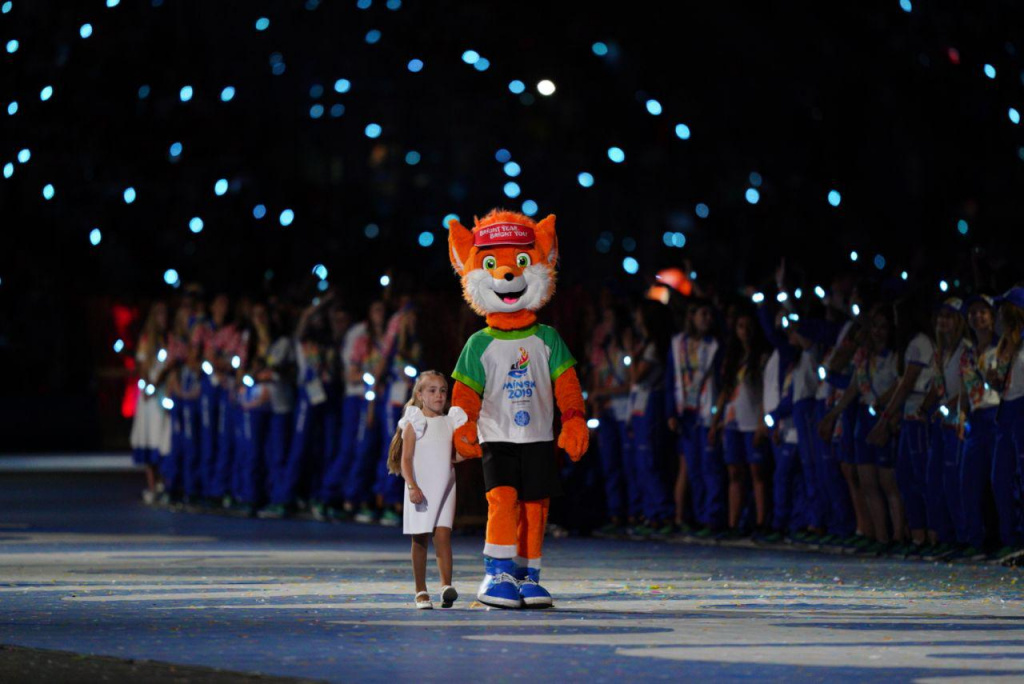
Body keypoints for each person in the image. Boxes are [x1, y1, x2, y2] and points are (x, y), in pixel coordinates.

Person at [388, 371, 465, 609]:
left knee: (443, 536)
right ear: (420, 395)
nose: (439, 395)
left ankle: (446, 586)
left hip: (445, 485)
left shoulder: (450, 420)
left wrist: (473, 448)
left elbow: (455, 455)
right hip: (420, 487)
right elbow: (406, 459)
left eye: (443, 390)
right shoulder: (415, 421)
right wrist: (411, 485)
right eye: (432, 391)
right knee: (420, 539)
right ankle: (421, 590)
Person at [130, 301, 172, 503]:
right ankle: (152, 484)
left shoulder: (169, 339)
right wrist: (148, 384)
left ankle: (165, 483)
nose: (163, 319)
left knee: (164, 437)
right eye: (160, 315)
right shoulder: (147, 340)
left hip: (164, 394)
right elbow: (141, 366)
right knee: (149, 435)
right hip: (150, 397)